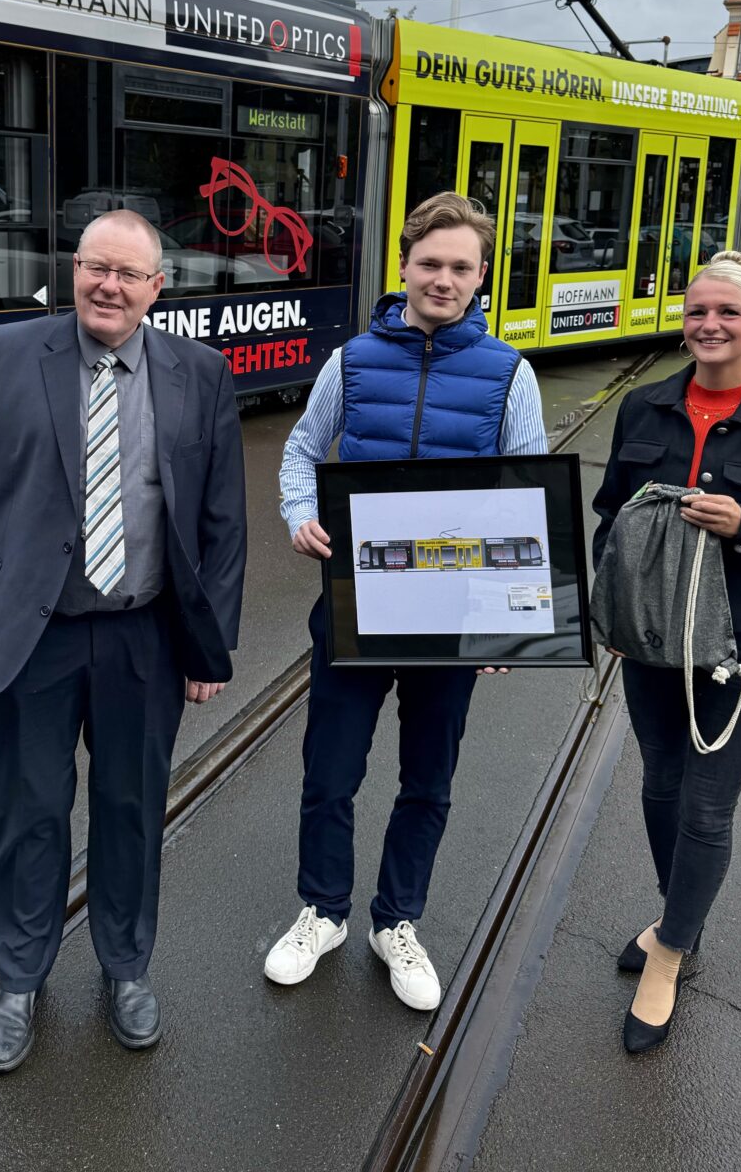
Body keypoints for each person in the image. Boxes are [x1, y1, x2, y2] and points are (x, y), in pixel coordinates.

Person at [0, 210, 246, 1071]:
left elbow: (220, 523)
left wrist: (209, 650)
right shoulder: (8, 355)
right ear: (74, 270)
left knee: (133, 812)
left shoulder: (200, 374)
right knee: (28, 815)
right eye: (98, 267)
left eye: (131, 275)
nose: (110, 286)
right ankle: (19, 979)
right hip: (31, 636)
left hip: (144, 638)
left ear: (156, 288)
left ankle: (126, 969)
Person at [265, 192, 548, 1008]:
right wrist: (299, 511)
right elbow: (303, 449)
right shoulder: (351, 362)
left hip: (452, 617)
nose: (444, 279)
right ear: (405, 265)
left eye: (461, 267)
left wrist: (509, 621)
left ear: (481, 276)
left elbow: (527, 493)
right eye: (431, 262)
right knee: (330, 771)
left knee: (428, 778)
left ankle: (398, 922)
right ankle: (323, 911)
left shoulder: (509, 374)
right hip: (357, 604)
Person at [592, 250, 741, 1053]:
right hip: (653, 634)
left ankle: (671, 952)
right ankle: (677, 915)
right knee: (659, 784)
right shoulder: (643, 408)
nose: (711, 326)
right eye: (697, 313)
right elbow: (608, 517)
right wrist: (613, 610)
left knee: (705, 804)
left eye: (728, 314)